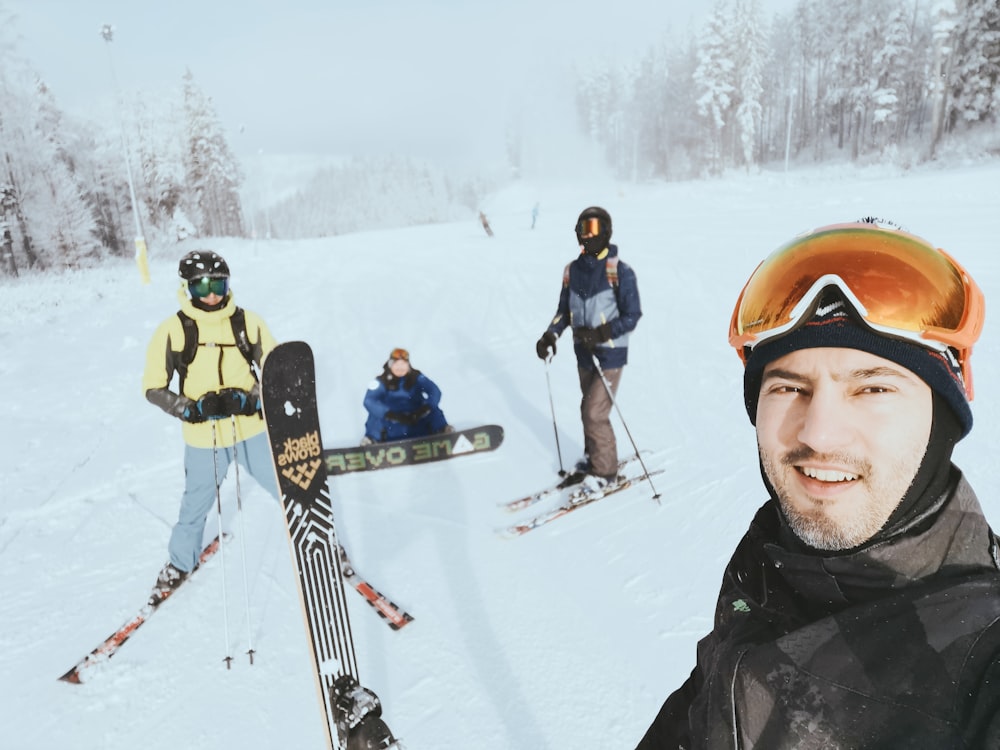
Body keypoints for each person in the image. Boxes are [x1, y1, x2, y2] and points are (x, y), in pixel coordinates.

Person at [635, 220, 1000, 749]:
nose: (818, 433)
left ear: (941, 421)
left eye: (872, 387)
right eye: (789, 386)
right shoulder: (766, 570)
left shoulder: (983, 662)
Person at [142, 250, 279, 593]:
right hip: (205, 438)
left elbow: (278, 373)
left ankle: (320, 542)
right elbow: (153, 387)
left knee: (288, 486)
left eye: (217, 284)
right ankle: (179, 563)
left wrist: (252, 398)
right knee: (195, 503)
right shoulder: (173, 330)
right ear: (188, 288)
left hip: (251, 430)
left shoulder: (248, 323)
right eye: (202, 287)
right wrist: (190, 409)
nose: (212, 294)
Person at [535, 206, 642, 493]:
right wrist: (550, 336)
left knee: (595, 412)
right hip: (583, 352)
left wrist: (600, 333)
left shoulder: (619, 270)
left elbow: (633, 315)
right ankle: (592, 455)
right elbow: (563, 312)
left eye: (594, 228)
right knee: (588, 407)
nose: (588, 234)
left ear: (606, 231)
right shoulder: (572, 271)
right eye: (583, 228)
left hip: (610, 354)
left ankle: (605, 472)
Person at [361, 348, 452, 444]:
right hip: (392, 425)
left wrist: (425, 408)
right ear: (390, 365)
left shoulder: (417, 377)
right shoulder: (380, 381)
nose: (400, 368)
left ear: (408, 365)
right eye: (397, 364)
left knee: (433, 410)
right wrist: (389, 414)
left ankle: (443, 431)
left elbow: (434, 391)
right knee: (375, 415)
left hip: (416, 419)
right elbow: (369, 400)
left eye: (403, 364)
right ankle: (371, 440)